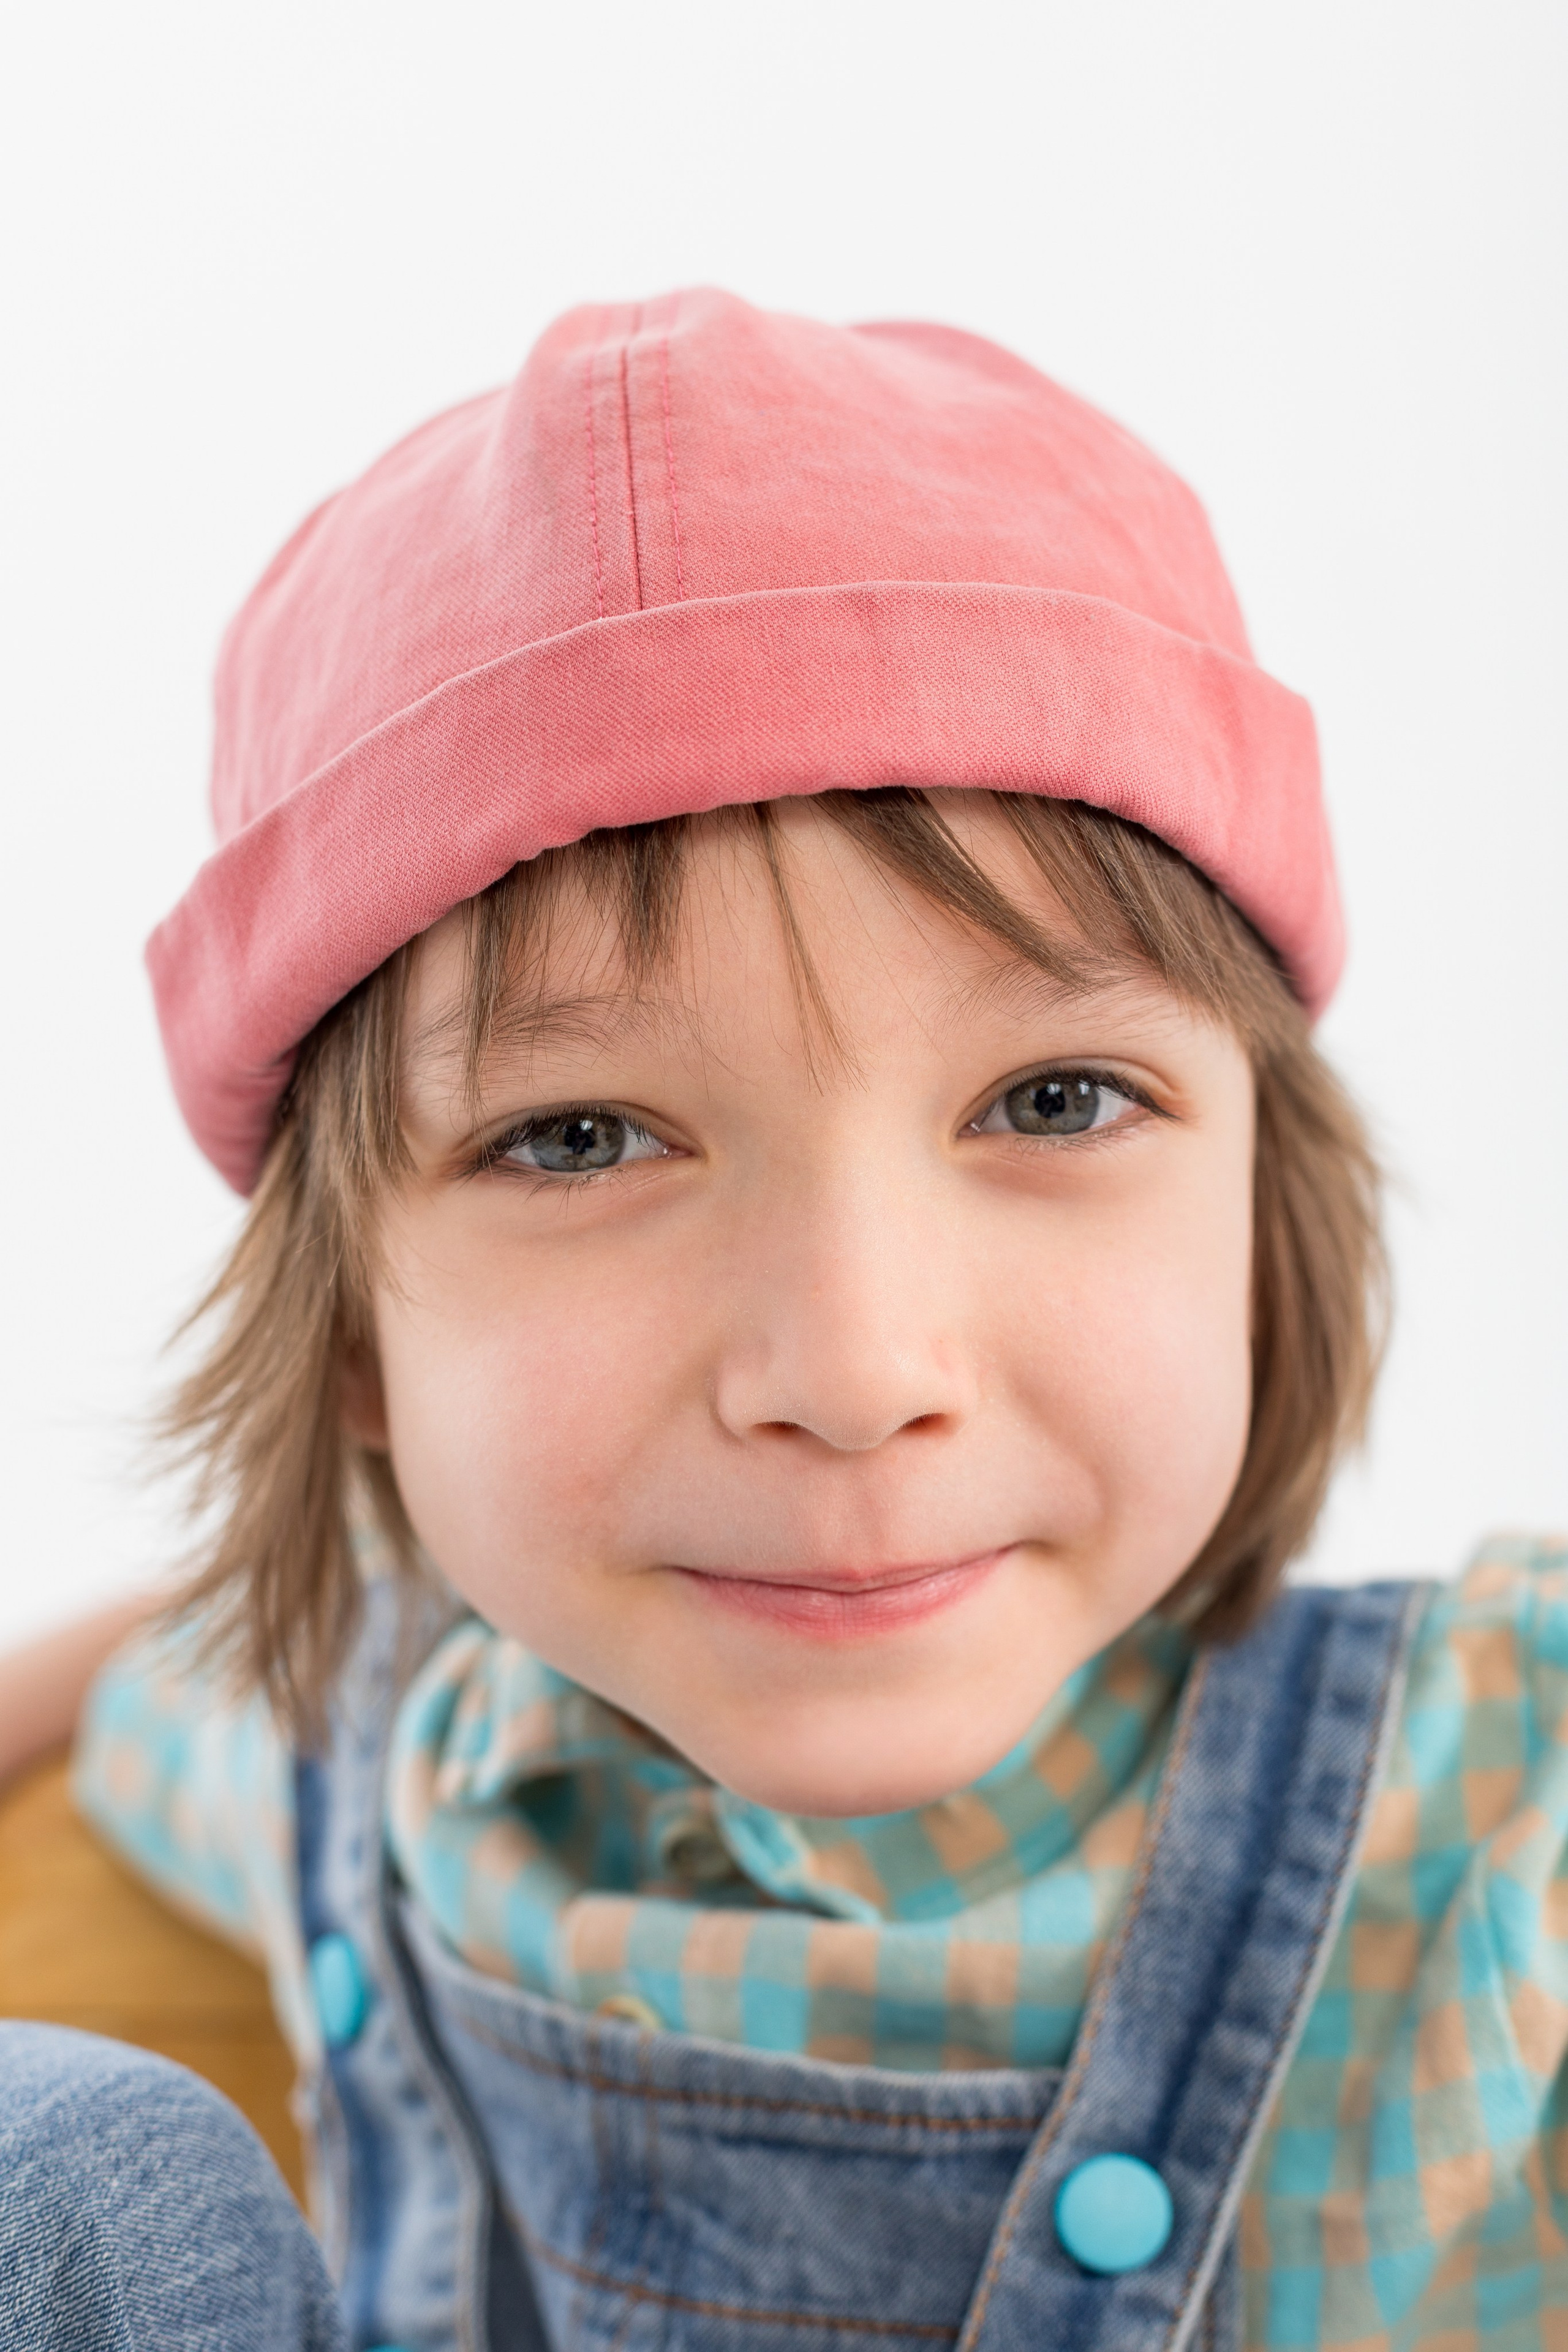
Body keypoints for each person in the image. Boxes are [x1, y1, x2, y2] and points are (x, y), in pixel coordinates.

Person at [0, 287, 1562, 2352]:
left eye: (1054, 1101)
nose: (851, 1371)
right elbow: (156, 1686)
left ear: (1264, 1218)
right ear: (355, 1338)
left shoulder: (1494, 1840)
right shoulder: (372, 1759)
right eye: (578, 1139)